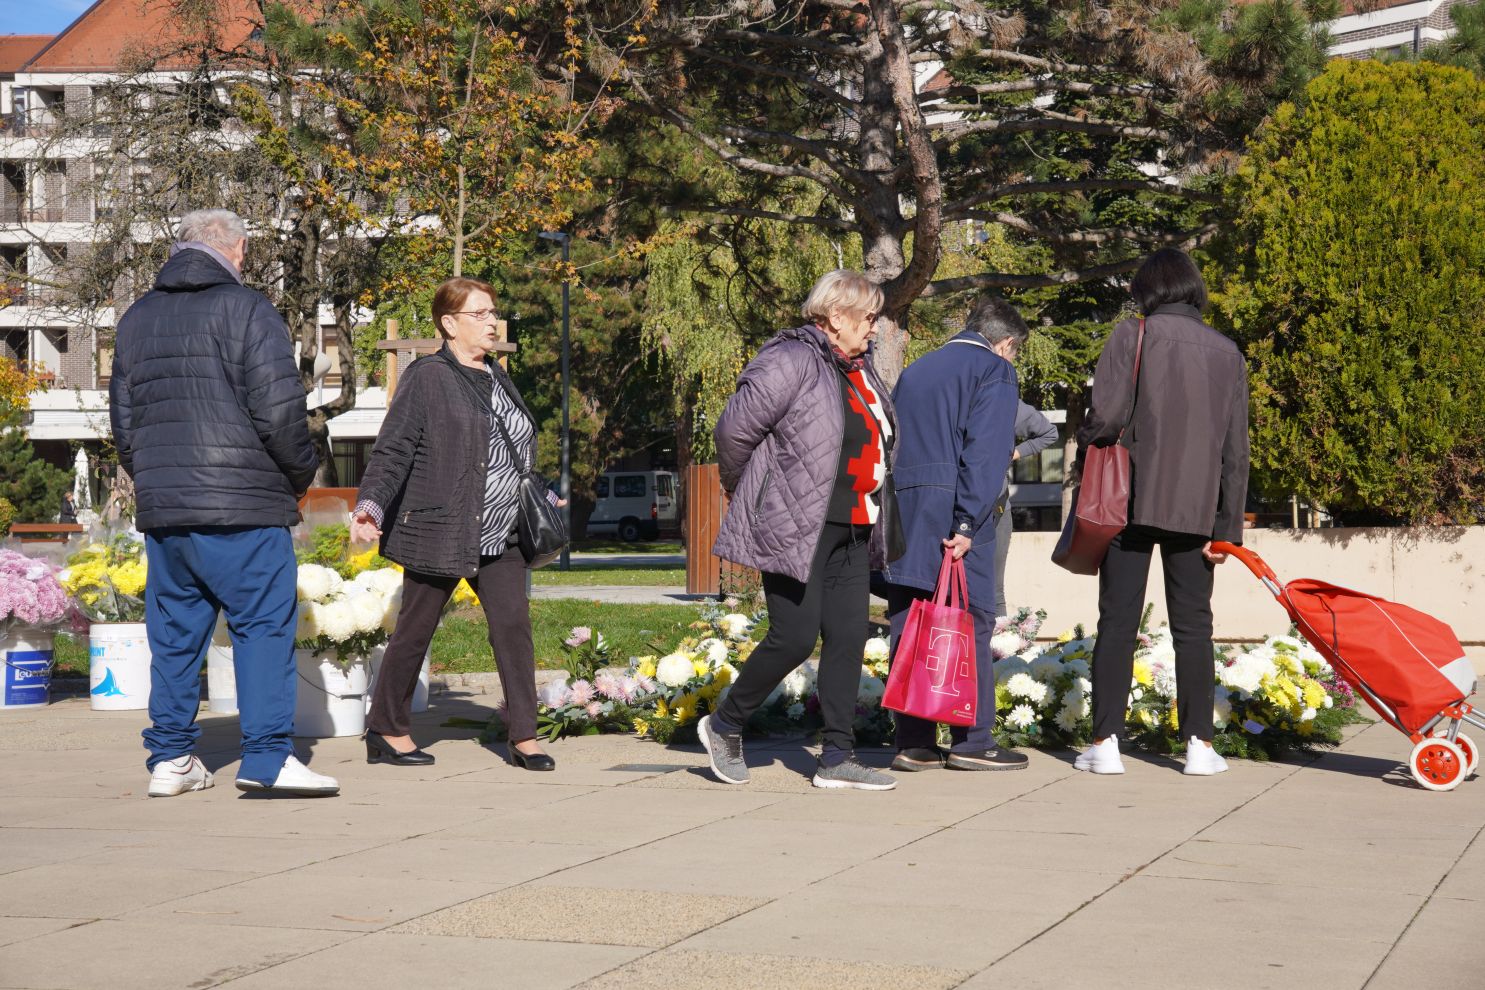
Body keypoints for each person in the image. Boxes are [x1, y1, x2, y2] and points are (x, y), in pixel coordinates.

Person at [110, 208, 338, 798]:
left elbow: (125, 424)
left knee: (175, 634)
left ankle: (171, 759)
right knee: (261, 628)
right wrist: (298, 475)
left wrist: (156, 481)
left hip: (168, 511)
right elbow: (280, 411)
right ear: (234, 249)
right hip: (244, 506)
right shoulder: (248, 308)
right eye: (245, 252)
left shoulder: (138, 317)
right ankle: (266, 760)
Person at [701, 269, 900, 791]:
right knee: (793, 638)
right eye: (868, 318)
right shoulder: (789, 357)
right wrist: (759, 496)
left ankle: (837, 757)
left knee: (848, 639)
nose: (874, 328)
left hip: (856, 524)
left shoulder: (861, 369)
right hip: (798, 527)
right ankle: (724, 725)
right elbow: (734, 432)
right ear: (836, 317)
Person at [351, 277, 558, 771]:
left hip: (502, 530)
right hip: (440, 526)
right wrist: (370, 508)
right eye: (480, 314)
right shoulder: (427, 377)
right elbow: (395, 448)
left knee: (513, 627)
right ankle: (386, 727)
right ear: (449, 323)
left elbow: (511, 448)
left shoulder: (498, 375)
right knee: (415, 630)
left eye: (493, 312)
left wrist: (543, 492)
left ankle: (523, 735)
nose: (492, 322)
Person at [1073, 248, 1249, 777]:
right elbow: (1235, 454)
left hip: (1129, 500)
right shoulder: (1228, 353)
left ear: (1147, 289)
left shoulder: (1133, 334)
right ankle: (1199, 745)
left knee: (1119, 621)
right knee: (1194, 627)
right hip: (1197, 511)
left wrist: (1088, 436)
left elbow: (1105, 416)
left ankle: (1106, 743)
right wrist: (1227, 532)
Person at [883, 297, 1031, 773]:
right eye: (1014, 351)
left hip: (907, 510)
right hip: (956, 514)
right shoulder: (994, 370)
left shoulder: (918, 369)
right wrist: (967, 521)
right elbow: (986, 452)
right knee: (973, 621)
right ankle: (974, 741)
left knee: (910, 621)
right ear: (1005, 342)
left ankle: (914, 742)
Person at [993, 401, 1059, 617]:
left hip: (996, 508)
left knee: (994, 590)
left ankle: (995, 648)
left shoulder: (1005, 404)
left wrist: (1012, 453)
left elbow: (1049, 433)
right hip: (960, 506)